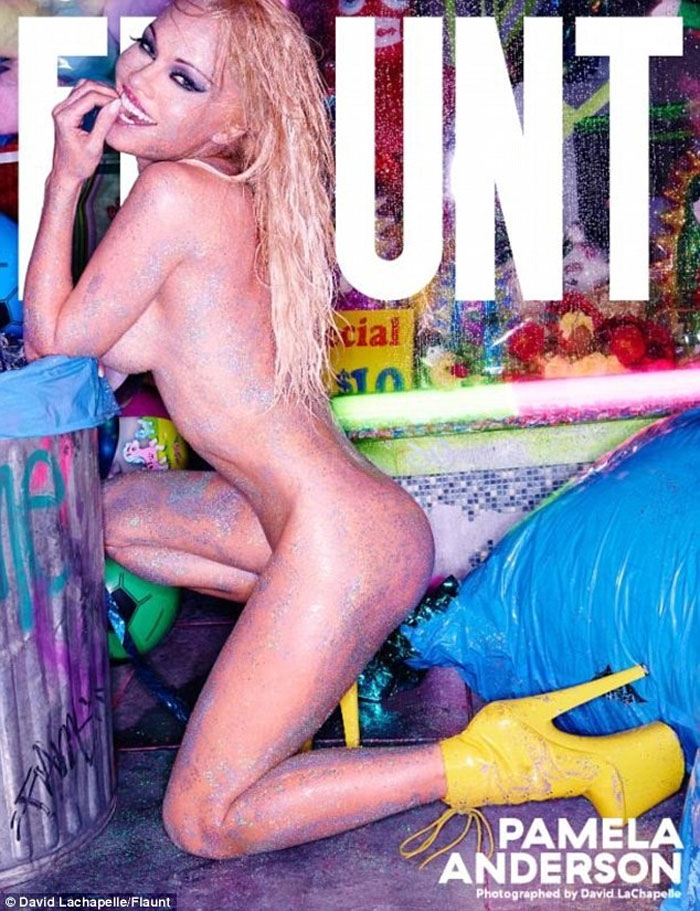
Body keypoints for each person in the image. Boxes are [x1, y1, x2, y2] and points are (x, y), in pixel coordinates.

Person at [24, 0, 684, 862]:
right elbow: (105, 355)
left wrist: (65, 177)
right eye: (148, 49)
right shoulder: (225, 198)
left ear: (235, 125)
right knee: (102, 516)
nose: (140, 80)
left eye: (183, 79)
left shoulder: (174, 193)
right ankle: (307, 663)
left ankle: (495, 759)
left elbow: (54, 348)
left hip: (341, 539)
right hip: (336, 525)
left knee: (205, 819)